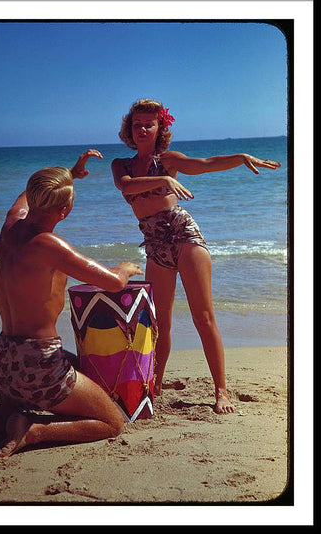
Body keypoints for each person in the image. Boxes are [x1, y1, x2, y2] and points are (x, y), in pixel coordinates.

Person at [112, 99, 281, 414]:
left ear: (160, 129)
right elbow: (127, 186)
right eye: (137, 124)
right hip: (154, 244)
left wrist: (240, 157)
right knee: (158, 323)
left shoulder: (169, 160)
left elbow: (205, 163)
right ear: (129, 129)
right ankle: (157, 383)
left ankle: (221, 391)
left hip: (183, 235)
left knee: (203, 317)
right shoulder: (120, 165)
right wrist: (164, 181)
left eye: (149, 124)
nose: (142, 129)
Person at [0, 149, 143, 458]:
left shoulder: (10, 227)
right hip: (39, 365)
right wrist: (125, 269)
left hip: (5, 362)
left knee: (83, 366)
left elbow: (26, 197)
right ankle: (34, 431)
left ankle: (8, 406)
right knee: (112, 422)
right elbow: (113, 283)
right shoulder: (51, 246)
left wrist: (71, 173)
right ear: (65, 211)